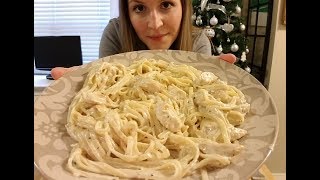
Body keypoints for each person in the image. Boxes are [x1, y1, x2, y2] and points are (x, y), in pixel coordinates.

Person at [51, 0, 236, 80]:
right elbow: (103, 82)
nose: (155, 24)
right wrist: (88, 81)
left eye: (166, 4)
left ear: (184, 7)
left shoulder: (198, 42)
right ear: (127, 12)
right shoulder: (115, 33)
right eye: (139, 8)